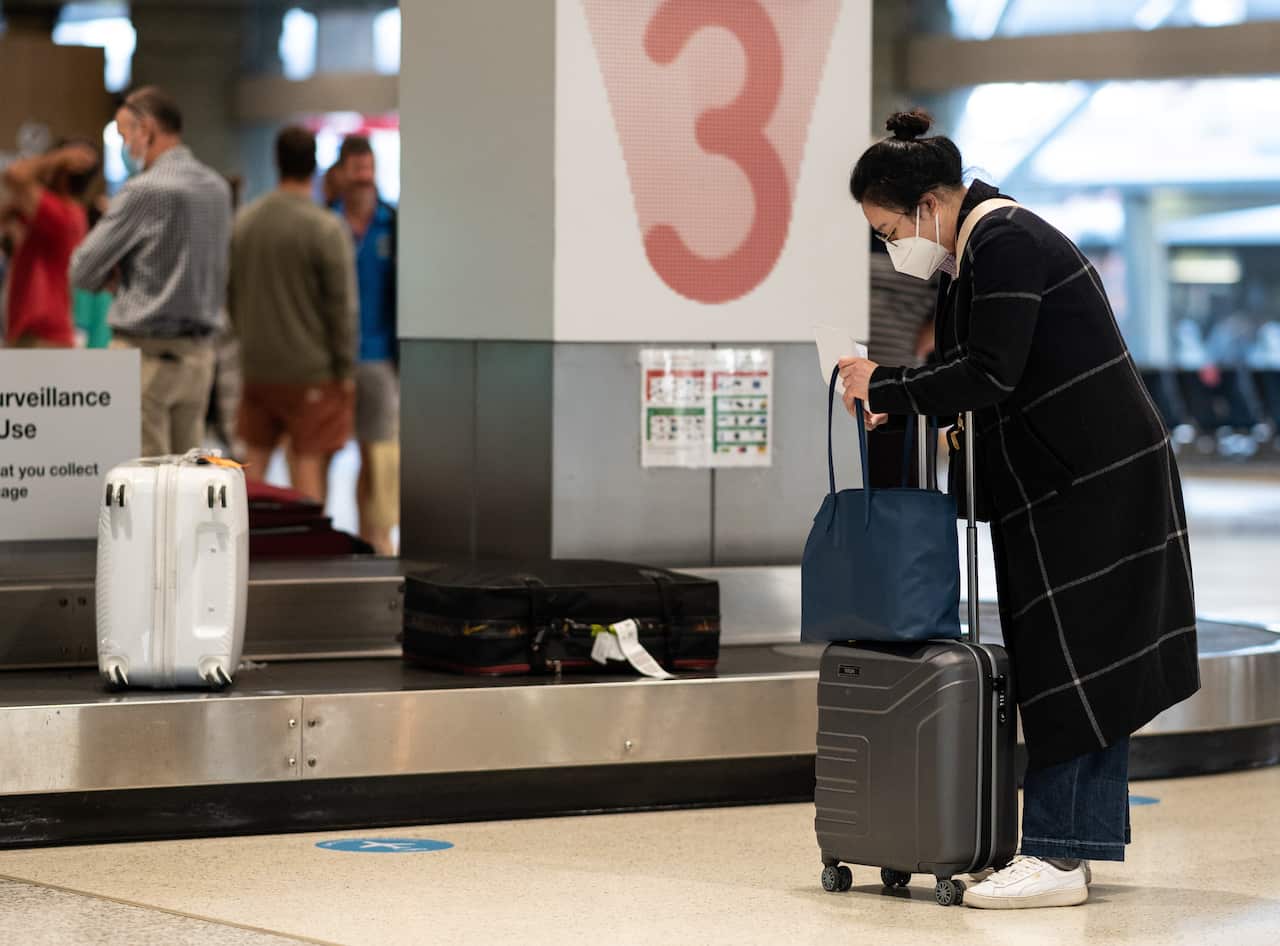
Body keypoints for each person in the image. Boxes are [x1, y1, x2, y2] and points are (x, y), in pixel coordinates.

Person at [840, 109, 1200, 910]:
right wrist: (898, 403)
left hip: (1089, 485)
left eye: (890, 227)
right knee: (1083, 662)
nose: (892, 245)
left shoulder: (1005, 242)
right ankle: (1071, 846)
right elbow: (984, 373)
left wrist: (886, 385)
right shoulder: (981, 250)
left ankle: (1057, 858)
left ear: (930, 203)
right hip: (1075, 479)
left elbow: (989, 375)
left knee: (1071, 664)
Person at [70, 86, 231, 456]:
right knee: (187, 480)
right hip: (199, 356)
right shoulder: (217, 188)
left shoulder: (142, 191)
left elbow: (82, 268)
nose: (126, 147)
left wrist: (115, 275)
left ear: (146, 129)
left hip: (145, 355)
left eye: (125, 134)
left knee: (147, 483)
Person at [228, 126, 358, 503]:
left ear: (276, 162)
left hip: (256, 367)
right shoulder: (325, 228)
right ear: (315, 165)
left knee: (254, 464)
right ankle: (308, 557)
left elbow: (231, 293)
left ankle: (242, 550)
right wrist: (345, 371)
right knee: (308, 466)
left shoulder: (246, 222)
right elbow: (341, 308)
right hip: (310, 372)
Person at [332, 135, 399, 555]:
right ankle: (352, 535)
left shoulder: (393, 223)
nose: (362, 175)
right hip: (332, 358)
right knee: (327, 453)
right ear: (339, 173)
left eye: (367, 167)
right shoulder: (326, 223)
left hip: (378, 355)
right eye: (354, 167)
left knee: (379, 455)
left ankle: (379, 537)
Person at [1, 139, 99, 348]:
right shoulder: (66, 214)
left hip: (42, 334)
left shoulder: (61, 214)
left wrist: (59, 157)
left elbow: (14, 174)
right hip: (37, 333)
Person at [865, 230, 938, 488]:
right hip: (856, 380)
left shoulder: (928, 237)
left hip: (905, 378)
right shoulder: (851, 227)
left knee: (903, 487)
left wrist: (932, 336)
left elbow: (962, 297)